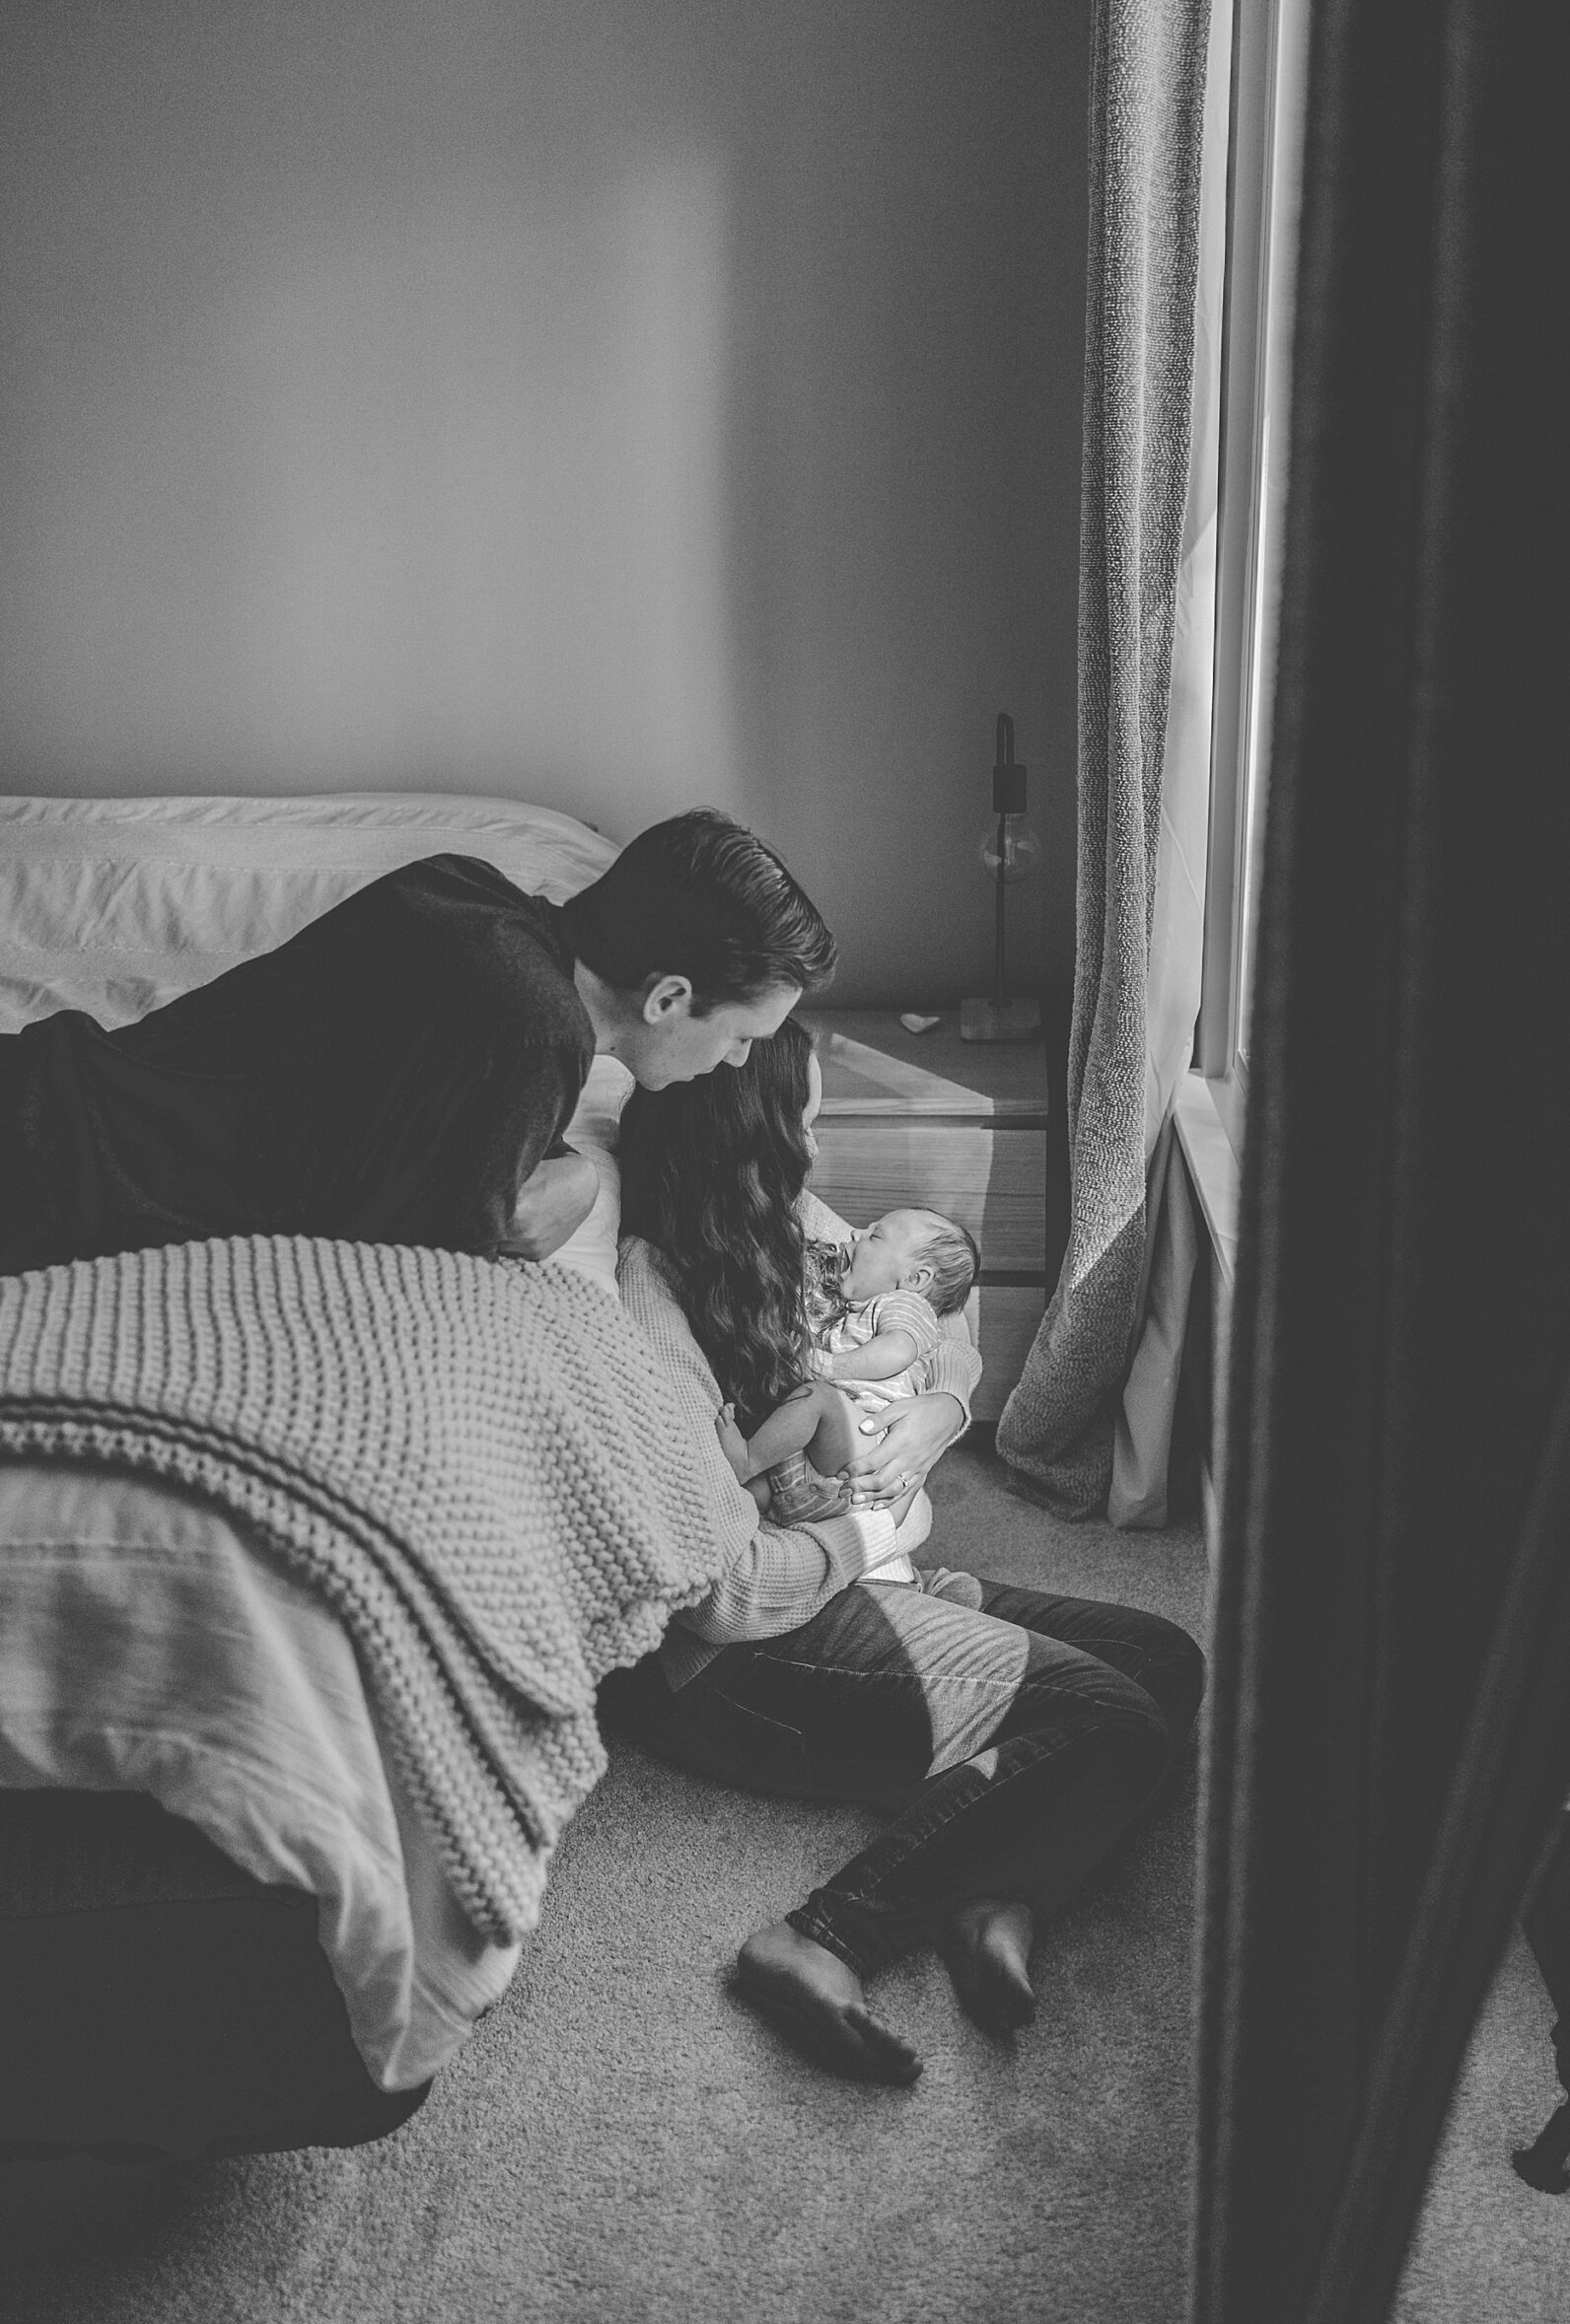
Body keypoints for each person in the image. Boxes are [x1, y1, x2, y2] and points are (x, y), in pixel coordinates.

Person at [609, 1016, 1206, 2085]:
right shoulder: (656, 1294)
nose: (820, 1152)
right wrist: (886, 1524)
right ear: (752, 1129)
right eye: (807, 1119)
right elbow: (720, 1595)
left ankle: (997, 1889)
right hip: (741, 1656)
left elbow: (942, 1306)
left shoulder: (786, 1225)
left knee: (1166, 1658)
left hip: (861, 1576)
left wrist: (937, 1412)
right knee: (1109, 1720)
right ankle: (826, 1935)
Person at [0, 809, 835, 1277]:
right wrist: (571, 1184)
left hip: (46, 1081)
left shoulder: (458, 885)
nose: (735, 1062)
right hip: (56, 1173)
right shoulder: (538, 1035)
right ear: (670, 998)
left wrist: (571, 1170)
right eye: (740, 1037)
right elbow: (430, 1273)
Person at [716, 1203, 979, 1558]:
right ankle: (754, 1498)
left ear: (915, 1279)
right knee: (761, 1485)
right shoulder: (864, 1306)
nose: (854, 1234)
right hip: (822, 1480)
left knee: (818, 1399)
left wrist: (832, 1367)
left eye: (875, 1235)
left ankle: (747, 1459)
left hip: (867, 1437)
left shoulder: (903, 1305)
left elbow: (899, 1349)